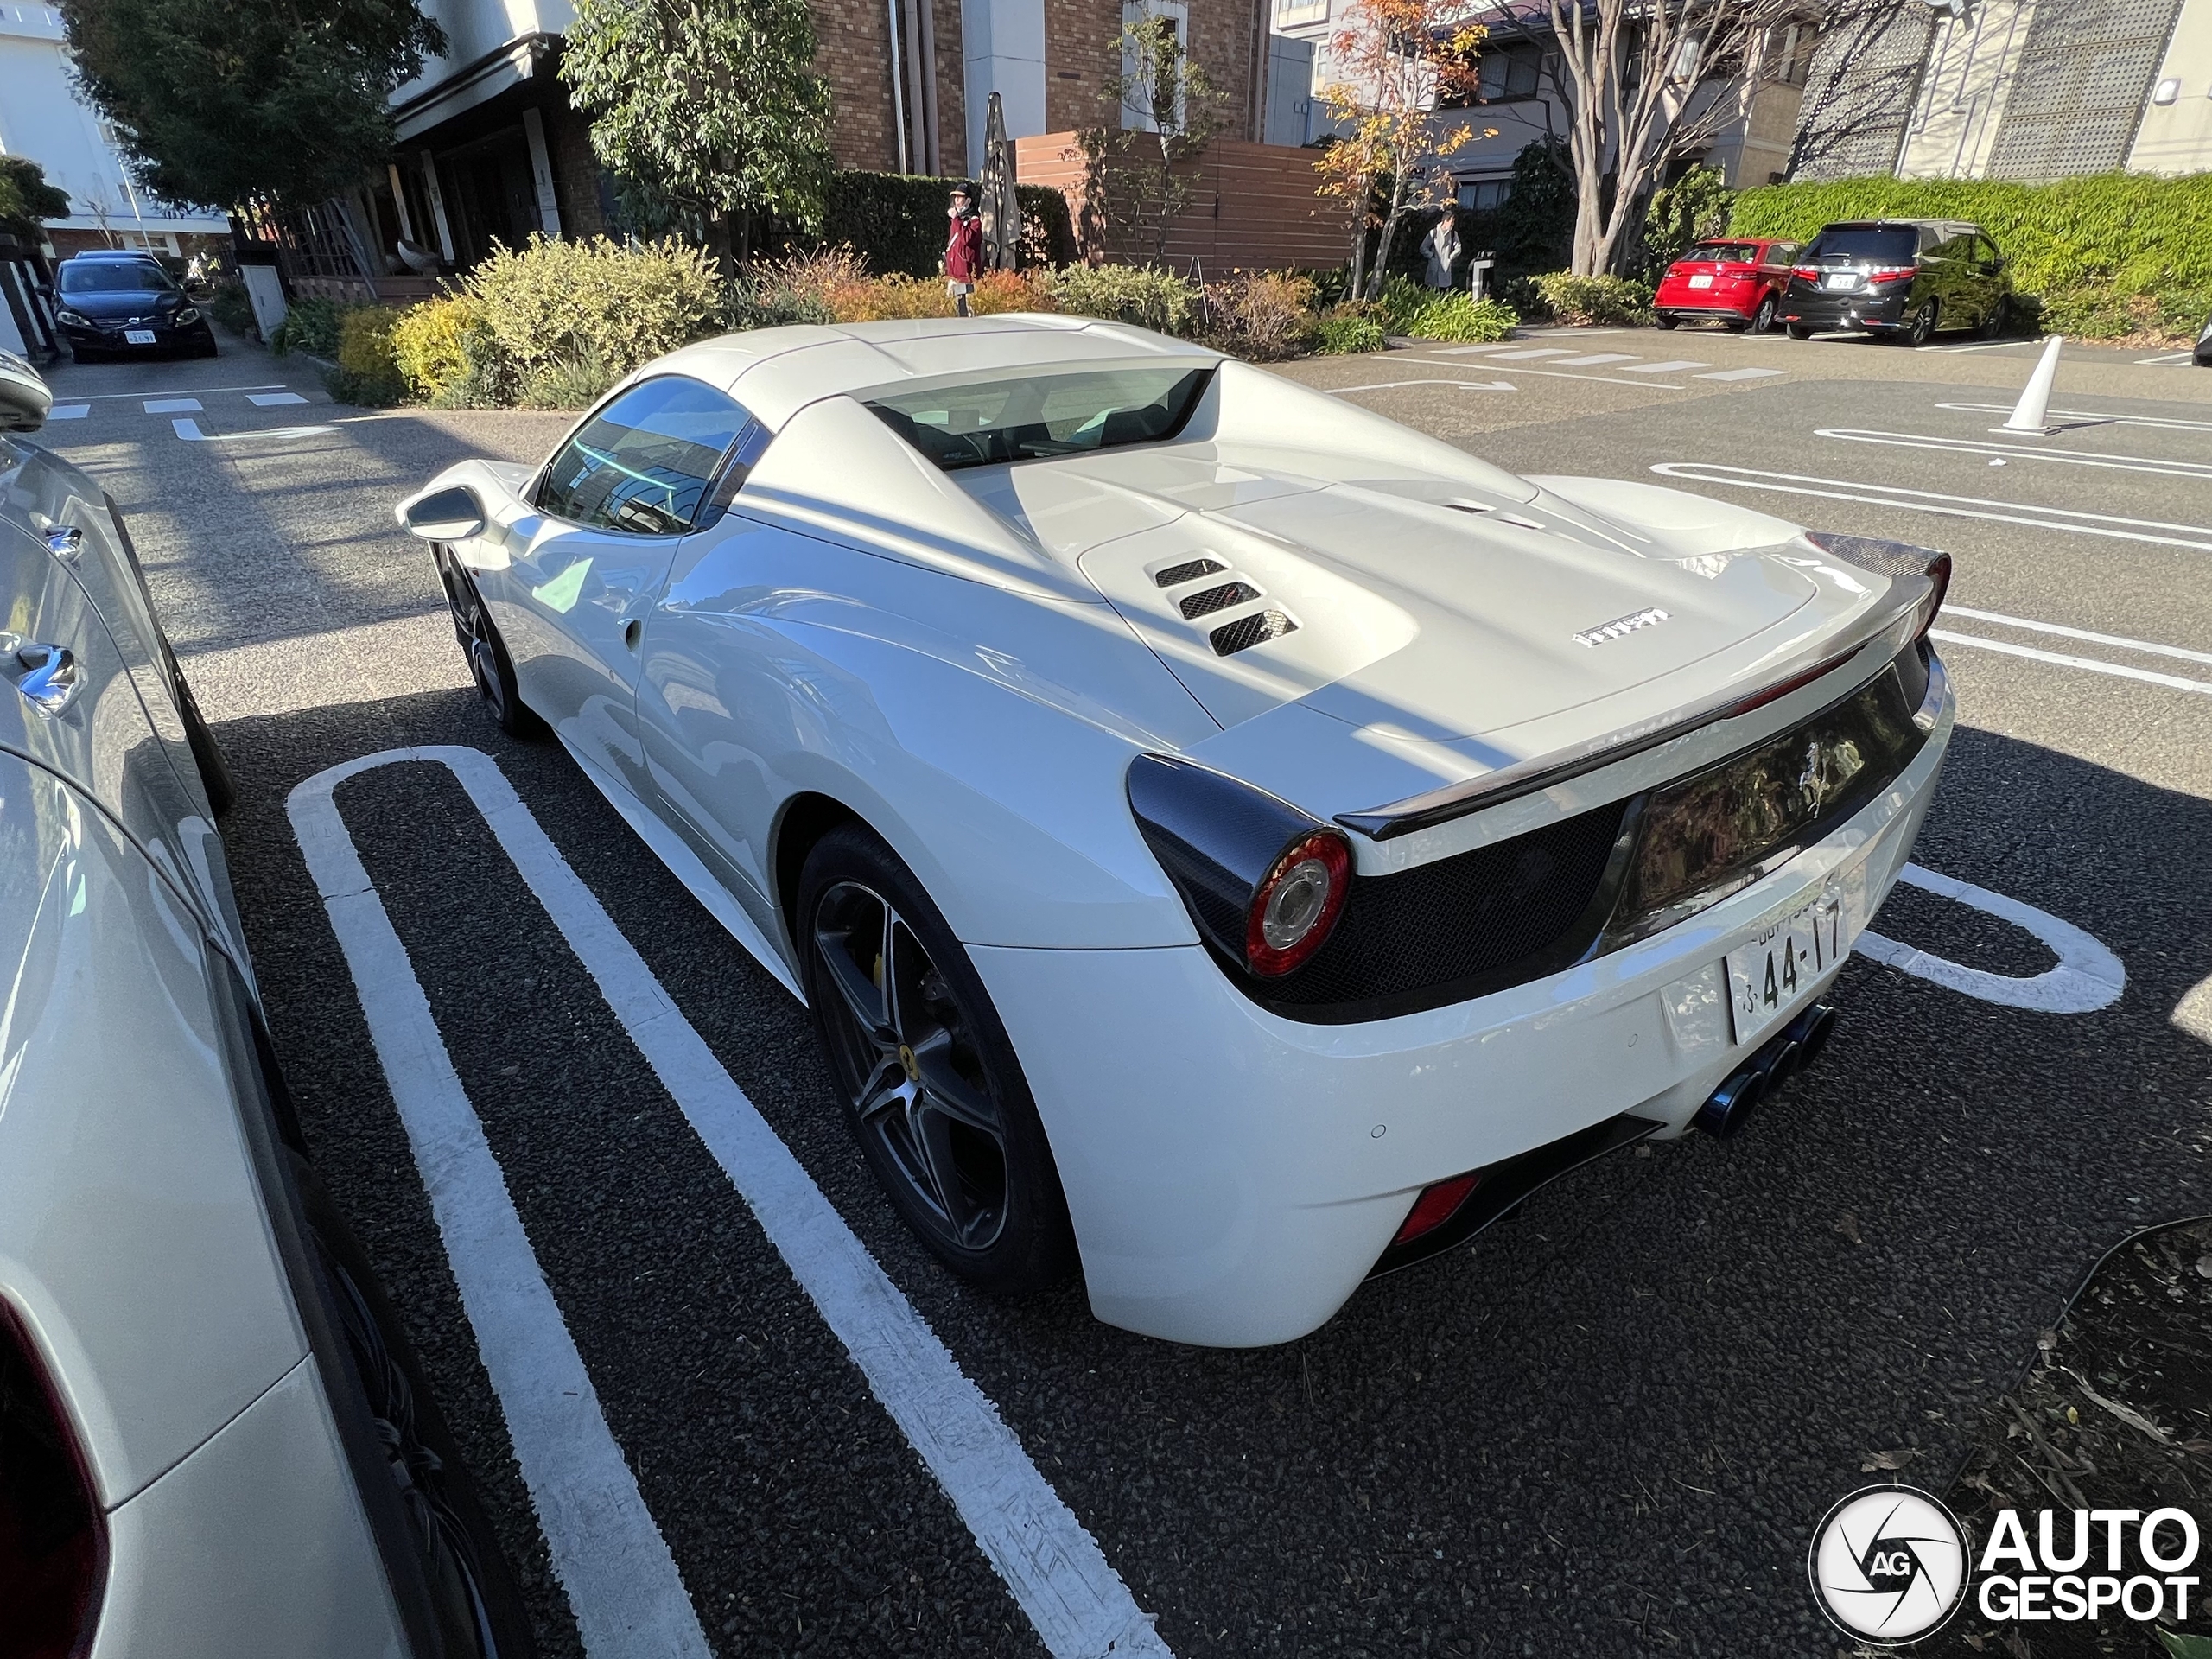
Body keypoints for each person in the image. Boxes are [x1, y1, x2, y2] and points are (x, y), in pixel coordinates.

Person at [944, 182, 984, 317]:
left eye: (960, 197)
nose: (956, 200)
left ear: (968, 200)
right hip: (954, 276)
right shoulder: (958, 220)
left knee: (970, 314)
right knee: (953, 312)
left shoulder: (974, 220)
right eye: (955, 197)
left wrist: (956, 219)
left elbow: (966, 239)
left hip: (967, 277)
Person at [1421, 213, 1461, 290]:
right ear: (1445, 221)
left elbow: (1458, 248)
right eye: (1452, 222)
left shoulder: (1453, 234)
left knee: (1443, 295)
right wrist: (1432, 256)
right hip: (1433, 271)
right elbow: (1423, 248)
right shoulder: (1434, 232)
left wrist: (1450, 257)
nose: (1453, 224)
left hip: (1445, 272)